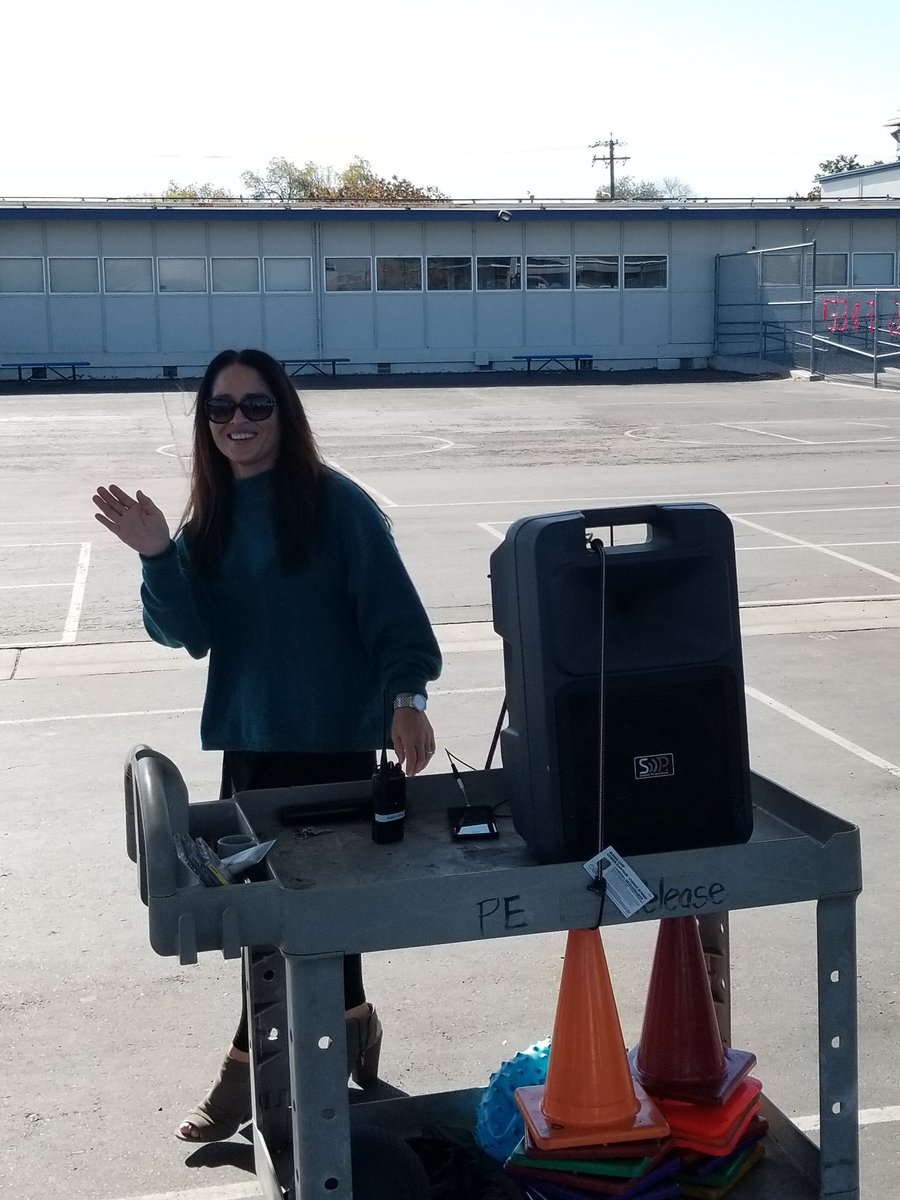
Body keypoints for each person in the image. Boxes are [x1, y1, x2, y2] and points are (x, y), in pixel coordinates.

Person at [93, 348, 441, 1141]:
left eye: (255, 406)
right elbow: (189, 634)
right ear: (204, 422)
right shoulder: (208, 522)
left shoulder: (335, 505)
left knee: (308, 916)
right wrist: (157, 554)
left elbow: (396, 616)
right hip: (251, 749)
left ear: (285, 413)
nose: (238, 422)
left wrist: (407, 697)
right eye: (221, 409)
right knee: (274, 919)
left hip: (334, 746)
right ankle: (351, 1025)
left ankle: (242, 1077)